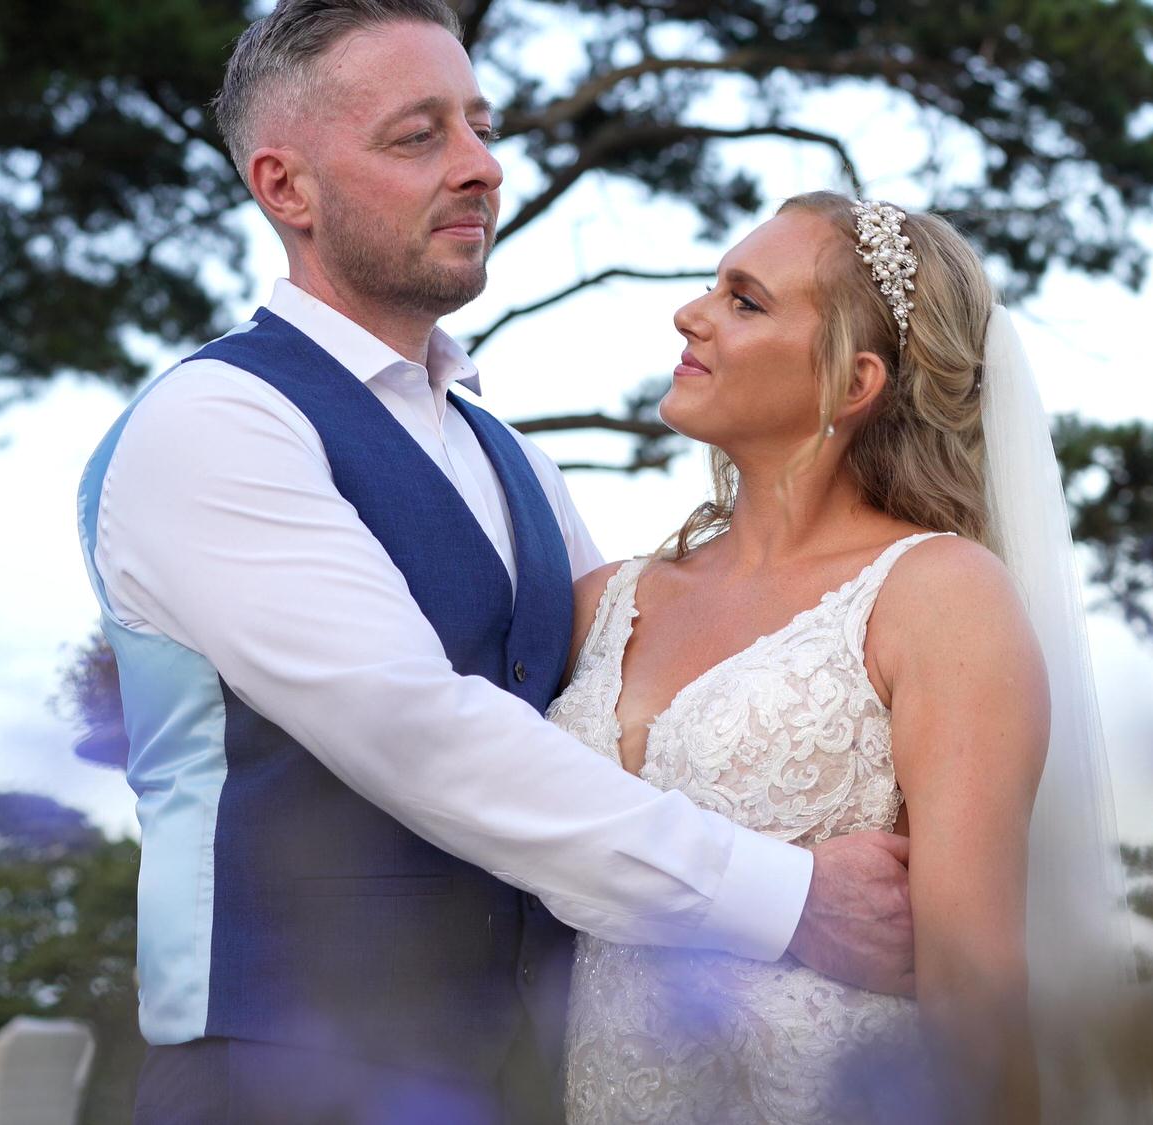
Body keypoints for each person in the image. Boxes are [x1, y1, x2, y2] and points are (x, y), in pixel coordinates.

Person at [74, 4, 913, 1121]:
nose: (482, 166)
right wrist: (789, 896)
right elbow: (413, 728)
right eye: (418, 136)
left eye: (481, 127)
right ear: (286, 188)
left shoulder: (512, 460)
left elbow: (650, 705)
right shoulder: (215, 423)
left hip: (529, 1081)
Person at [549, 193, 1139, 1124]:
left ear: (852, 383)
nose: (690, 313)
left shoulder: (940, 597)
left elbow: (975, 1001)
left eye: (745, 301)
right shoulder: (602, 602)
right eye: (712, 286)